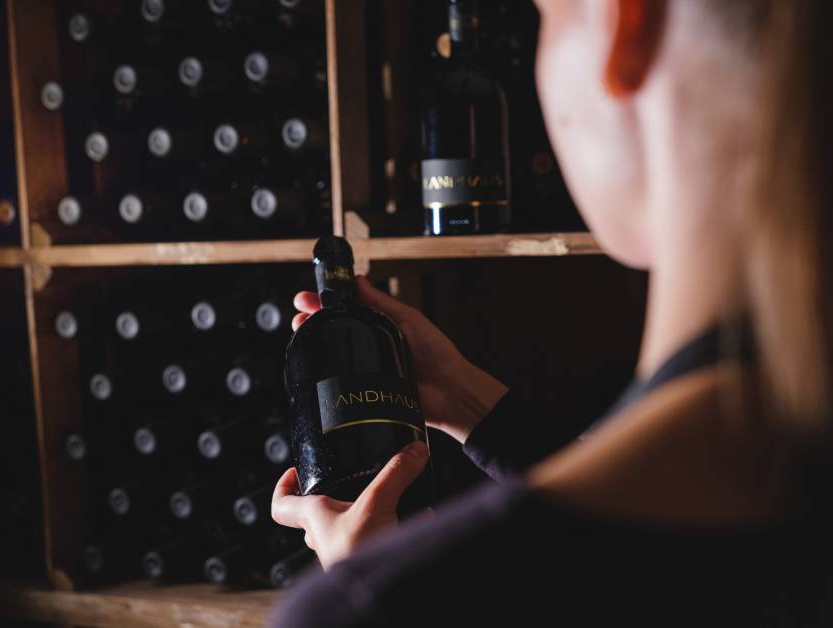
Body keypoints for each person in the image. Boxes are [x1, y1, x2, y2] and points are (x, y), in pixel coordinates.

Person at [270, 0, 833, 625]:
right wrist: (464, 397)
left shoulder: (389, 603)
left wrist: (372, 591)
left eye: (546, 17)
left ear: (625, 26)